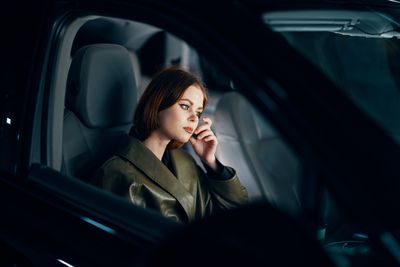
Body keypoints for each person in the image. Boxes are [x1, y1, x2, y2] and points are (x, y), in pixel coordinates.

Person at [92, 65, 248, 223]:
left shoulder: (185, 161)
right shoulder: (118, 173)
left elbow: (237, 213)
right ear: (158, 104)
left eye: (198, 112)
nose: (194, 118)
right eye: (185, 106)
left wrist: (211, 162)